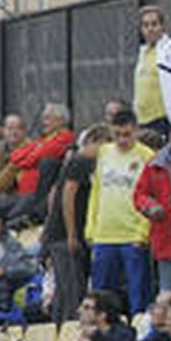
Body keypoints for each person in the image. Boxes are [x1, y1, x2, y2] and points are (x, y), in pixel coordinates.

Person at [86, 108, 154, 314]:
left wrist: (144, 232)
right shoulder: (105, 152)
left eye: (127, 134)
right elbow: (96, 192)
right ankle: (102, 335)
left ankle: (138, 334)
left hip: (132, 235)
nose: (122, 140)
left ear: (136, 131)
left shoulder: (147, 156)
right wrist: (91, 228)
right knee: (102, 295)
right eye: (117, 134)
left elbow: (152, 196)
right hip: (105, 234)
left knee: (138, 294)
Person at [41, 123, 106, 323]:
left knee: (65, 291)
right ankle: (69, 329)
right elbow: (67, 197)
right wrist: (71, 234)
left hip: (66, 234)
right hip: (64, 235)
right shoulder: (80, 162)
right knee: (72, 291)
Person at [134, 110, 171, 296]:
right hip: (168, 242)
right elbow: (139, 195)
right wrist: (150, 207)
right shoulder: (155, 164)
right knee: (168, 296)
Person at [133, 4, 171, 139]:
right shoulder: (143, 52)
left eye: (154, 24)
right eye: (145, 25)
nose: (150, 29)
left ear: (162, 26)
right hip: (143, 121)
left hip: (164, 120)